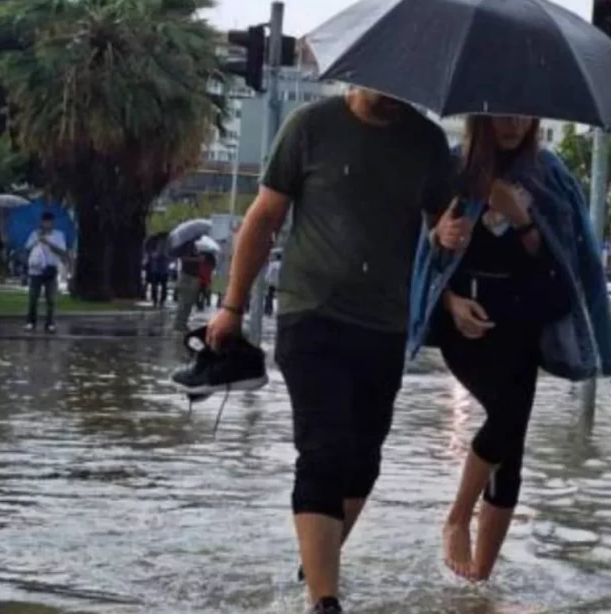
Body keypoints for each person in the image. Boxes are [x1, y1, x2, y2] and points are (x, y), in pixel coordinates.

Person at [198, 88, 467, 614]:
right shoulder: (310, 126)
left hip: (385, 324)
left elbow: (440, 226)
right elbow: (263, 218)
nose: (395, 97)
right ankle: (324, 600)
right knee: (324, 451)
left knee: (363, 462)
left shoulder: (427, 142)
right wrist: (231, 306)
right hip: (312, 314)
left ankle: (316, 564)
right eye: (384, 87)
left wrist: (446, 235)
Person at [407, 114, 611, 582]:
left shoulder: (549, 174)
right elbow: (422, 253)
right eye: (503, 113)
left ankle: (480, 582)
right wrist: (447, 280)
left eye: (524, 116)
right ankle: (457, 517)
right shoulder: (451, 170)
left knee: (511, 447)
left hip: (523, 325)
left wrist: (520, 217)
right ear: (481, 115)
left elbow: (559, 263)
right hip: (465, 324)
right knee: (506, 417)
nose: (514, 125)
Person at [25, 211, 68, 333]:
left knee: (51, 298)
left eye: (49, 222)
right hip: (36, 269)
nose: (47, 224)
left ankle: (50, 323)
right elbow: (27, 248)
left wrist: (48, 243)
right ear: (41, 222)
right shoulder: (35, 234)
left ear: (53, 223)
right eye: (45, 222)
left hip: (51, 267)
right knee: (33, 297)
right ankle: (30, 322)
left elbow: (62, 251)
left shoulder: (59, 235)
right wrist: (37, 241)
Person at [173, 242, 202, 332]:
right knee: (184, 301)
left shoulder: (195, 246)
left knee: (189, 302)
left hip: (194, 276)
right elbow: (183, 258)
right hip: (187, 276)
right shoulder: (186, 245)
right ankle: (179, 324)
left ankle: (183, 323)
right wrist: (197, 259)